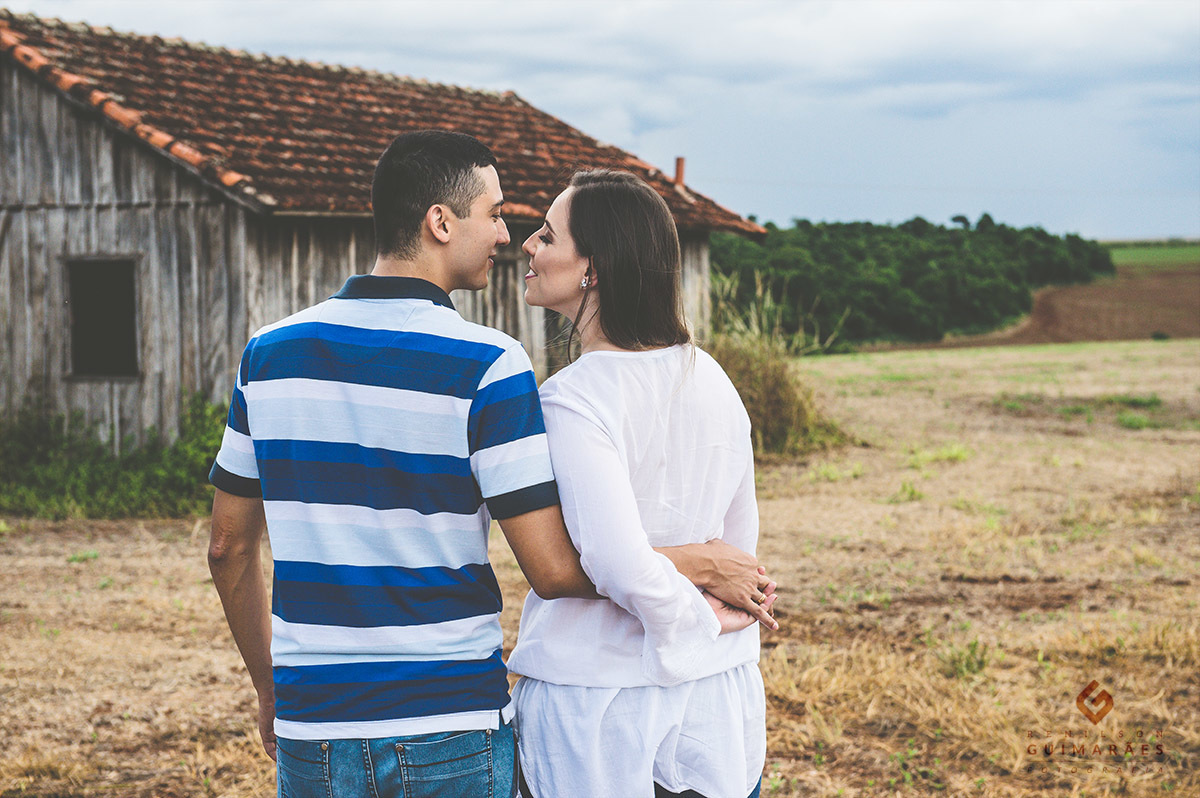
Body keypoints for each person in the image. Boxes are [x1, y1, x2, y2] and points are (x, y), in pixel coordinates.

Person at [206, 131, 773, 798]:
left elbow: (226, 548)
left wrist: (271, 688)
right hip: (451, 716)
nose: (510, 236)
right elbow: (556, 569)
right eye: (497, 213)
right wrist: (700, 561)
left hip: (314, 719)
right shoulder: (489, 366)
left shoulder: (266, 356)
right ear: (440, 222)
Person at [507, 169, 771, 798]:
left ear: (592, 267)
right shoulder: (712, 375)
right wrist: (713, 616)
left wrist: (695, 622)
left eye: (546, 235)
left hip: (601, 711)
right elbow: (738, 548)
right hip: (718, 701)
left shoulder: (572, 399)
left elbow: (617, 564)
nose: (527, 246)